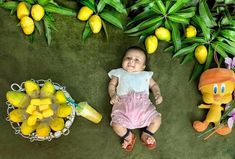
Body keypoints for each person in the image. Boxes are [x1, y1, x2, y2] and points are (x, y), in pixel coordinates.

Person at [108, 46, 163, 152]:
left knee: (157, 120)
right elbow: (112, 85)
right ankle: (128, 136)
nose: (131, 61)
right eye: (128, 58)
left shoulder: (145, 75)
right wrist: (113, 95)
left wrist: (158, 94)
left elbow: (154, 85)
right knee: (116, 124)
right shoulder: (119, 72)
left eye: (137, 60)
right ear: (122, 60)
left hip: (143, 107)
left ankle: (146, 134)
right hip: (123, 106)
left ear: (143, 67)